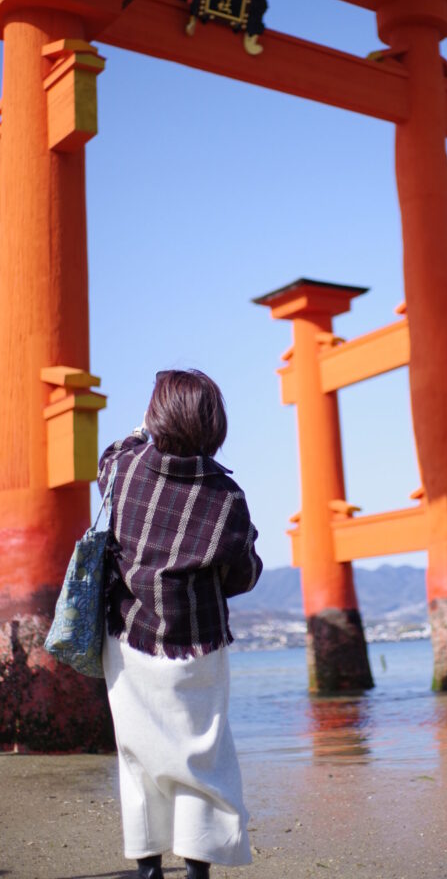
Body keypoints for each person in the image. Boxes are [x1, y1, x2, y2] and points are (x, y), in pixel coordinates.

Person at [97, 369, 262, 879]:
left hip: (127, 637)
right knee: (202, 759)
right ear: (214, 424)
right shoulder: (227, 498)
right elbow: (244, 575)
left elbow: (108, 457)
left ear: (156, 416)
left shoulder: (124, 468)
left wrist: (141, 431)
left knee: (138, 757)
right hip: (198, 645)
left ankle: (148, 869)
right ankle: (196, 871)